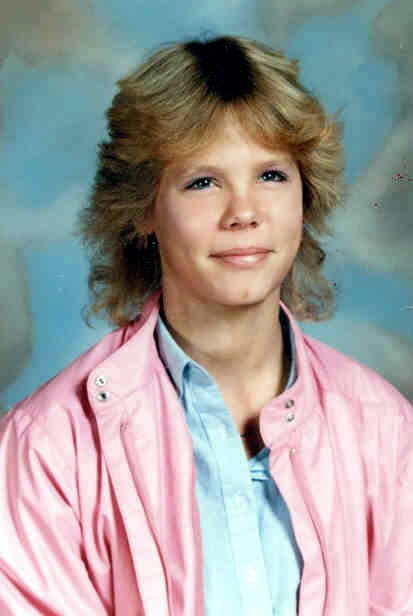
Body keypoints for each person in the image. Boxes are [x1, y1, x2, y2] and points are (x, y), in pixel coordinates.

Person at [0, 34, 412, 616]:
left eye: (271, 175)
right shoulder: (46, 447)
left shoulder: (385, 428)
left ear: (306, 194)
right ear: (143, 208)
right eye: (203, 182)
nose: (244, 212)